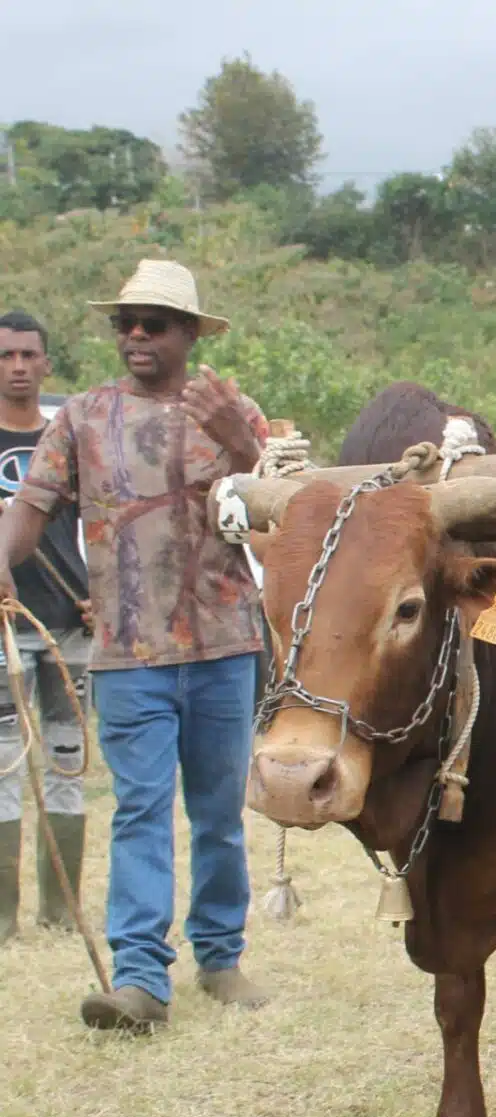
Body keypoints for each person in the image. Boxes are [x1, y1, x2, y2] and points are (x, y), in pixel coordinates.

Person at [0, 260, 272, 1032]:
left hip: (224, 647)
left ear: (190, 333)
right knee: (139, 809)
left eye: (155, 323)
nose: (137, 336)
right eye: (126, 323)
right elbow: (30, 507)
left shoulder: (232, 410)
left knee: (218, 812)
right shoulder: (82, 417)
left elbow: (284, 512)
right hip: (125, 654)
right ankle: (140, 980)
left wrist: (238, 443)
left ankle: (219, 958)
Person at [0, 311, 91, 943]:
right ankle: (2, 915)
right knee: (4, 765)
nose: (19, 367)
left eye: (29, 355)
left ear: (46, 363)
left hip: (68, 626)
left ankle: (61, 910)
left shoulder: (67, 434)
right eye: (6, 356)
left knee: (66, 762)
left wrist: (103, 593)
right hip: (4, 625)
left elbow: (104, 522)